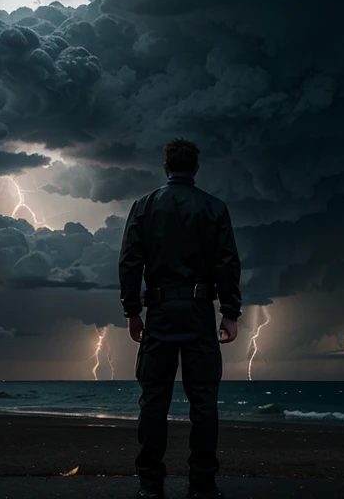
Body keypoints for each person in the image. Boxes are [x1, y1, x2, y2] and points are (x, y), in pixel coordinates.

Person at [119, 138, 242, 499]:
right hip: (200, 312)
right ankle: (202, 483)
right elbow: (227, 263)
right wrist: (230, 313)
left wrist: (132, 311)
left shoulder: (144, 207)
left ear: (166, 167)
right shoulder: (214, 208)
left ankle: (150, 485)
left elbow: (129, 262)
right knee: (203, 400)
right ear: (196, 169)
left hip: (158, 313)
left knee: (154, 400)